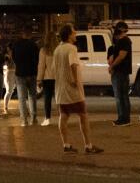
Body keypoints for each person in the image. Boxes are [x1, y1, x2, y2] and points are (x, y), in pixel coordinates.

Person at [53, 24, 103, 155]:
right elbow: (73, 65)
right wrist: (76, 81)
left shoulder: (57, 50)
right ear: (69, 35)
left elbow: (54, 69)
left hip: (60, 89)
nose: (75, 34)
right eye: (74, 32)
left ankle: (66, 144)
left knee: (63, 115)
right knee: (83, 115)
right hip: (72, 89)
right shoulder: (72, 49)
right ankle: (88, 145)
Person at [9, 27, 40, 126]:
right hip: (32, 73)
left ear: (22, 34)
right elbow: (37, 59)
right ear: (30, 35)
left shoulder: (16, 45)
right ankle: (34, 118)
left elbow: (13, 58)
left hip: (20, 73)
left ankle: (24, 120)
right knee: (32, 96)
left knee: (21, 98)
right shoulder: (34, 45)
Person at [105, 21, 132, 126]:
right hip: (121, 72)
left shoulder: (124, 41)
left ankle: (123, 118)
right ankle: (125, 118)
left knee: (120, 96)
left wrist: (112, 66)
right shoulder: (117, 44)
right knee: (123, 95)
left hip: (120, 72)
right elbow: (112, 58)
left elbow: (121, 56)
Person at [36, 30, 59, 126]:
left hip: (47, 78)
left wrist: (39, 79)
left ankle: (47, 118)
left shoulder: (43, 50)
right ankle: (62, 117)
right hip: (58, 78)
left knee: (47, 99)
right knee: (59, 99)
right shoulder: (59, 49)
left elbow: (41, 66)